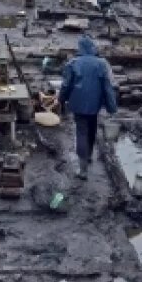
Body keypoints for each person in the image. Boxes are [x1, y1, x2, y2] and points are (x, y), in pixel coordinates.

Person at [59, 35, 117, 179]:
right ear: (93, 48)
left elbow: (66, 85)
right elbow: (107, 87)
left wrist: (61, 99)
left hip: (78, 104)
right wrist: (111, 107)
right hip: (95, 104)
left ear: (80, 48)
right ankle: (89, 155)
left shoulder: (72, 63)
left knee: (81, 132)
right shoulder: (101, 64)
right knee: (92, 128)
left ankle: (83, 168)